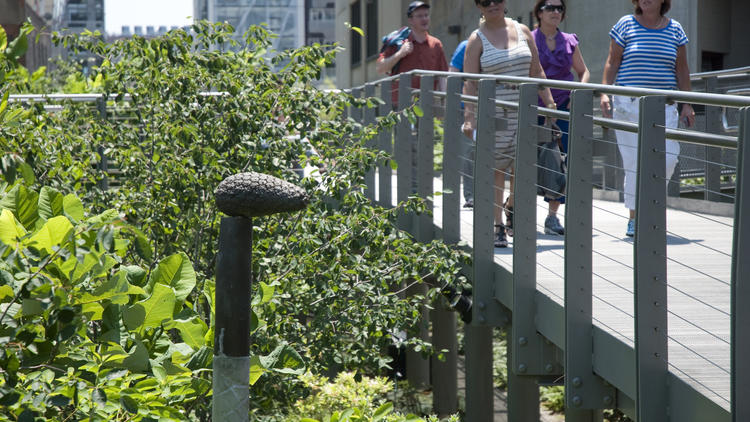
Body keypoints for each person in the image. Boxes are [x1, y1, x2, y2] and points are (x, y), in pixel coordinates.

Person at [462, 0, 557, 248]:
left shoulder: (523, 30)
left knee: (522, 168)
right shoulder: (476, 39)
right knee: (497, 170)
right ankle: (497, 226)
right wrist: (469, 117)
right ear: (479, 7)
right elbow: (470, 83)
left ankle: (511, 207)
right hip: (494, 112)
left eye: (497, 0)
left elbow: (536, 71)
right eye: (485, 1)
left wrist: (549, 102)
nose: (492, 4)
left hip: (524, 109)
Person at [600, 0, 695, 237]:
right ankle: (636, 217)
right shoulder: (625, 25)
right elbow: (612, 62)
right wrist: (604, 92)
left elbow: (681, 69)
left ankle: (648, 208)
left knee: (669, 159)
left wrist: (687, 103)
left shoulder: (675, 29)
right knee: (634, 163)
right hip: (629, 104)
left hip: (664, 106)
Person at [531, 0, 590, 235]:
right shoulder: (529, 39)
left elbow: (583, 71)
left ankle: (552, 217)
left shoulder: (569, 40)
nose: (556, 12)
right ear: (539, 12)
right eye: (550, 8)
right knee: (527, 163)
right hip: (533, 108)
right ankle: (513, 208)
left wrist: (579, 91)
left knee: (559, 162)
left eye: (559, 8)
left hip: (563, 109)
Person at [376, 1, 448, 106]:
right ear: (411, 20)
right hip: (399, 105)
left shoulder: (436, 44)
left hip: (426, 105)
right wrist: (400, 53)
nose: (424, 19)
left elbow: (442, 76)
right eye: (419, 16)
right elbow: (380, 68)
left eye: (426, 15)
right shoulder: (399, 43)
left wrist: (444, 102)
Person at [449, 39, 475, 209]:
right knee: (469, 152)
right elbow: (453, 72)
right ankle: (471, 195)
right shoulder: (465, 45)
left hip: (497, 105)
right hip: (466, 106)